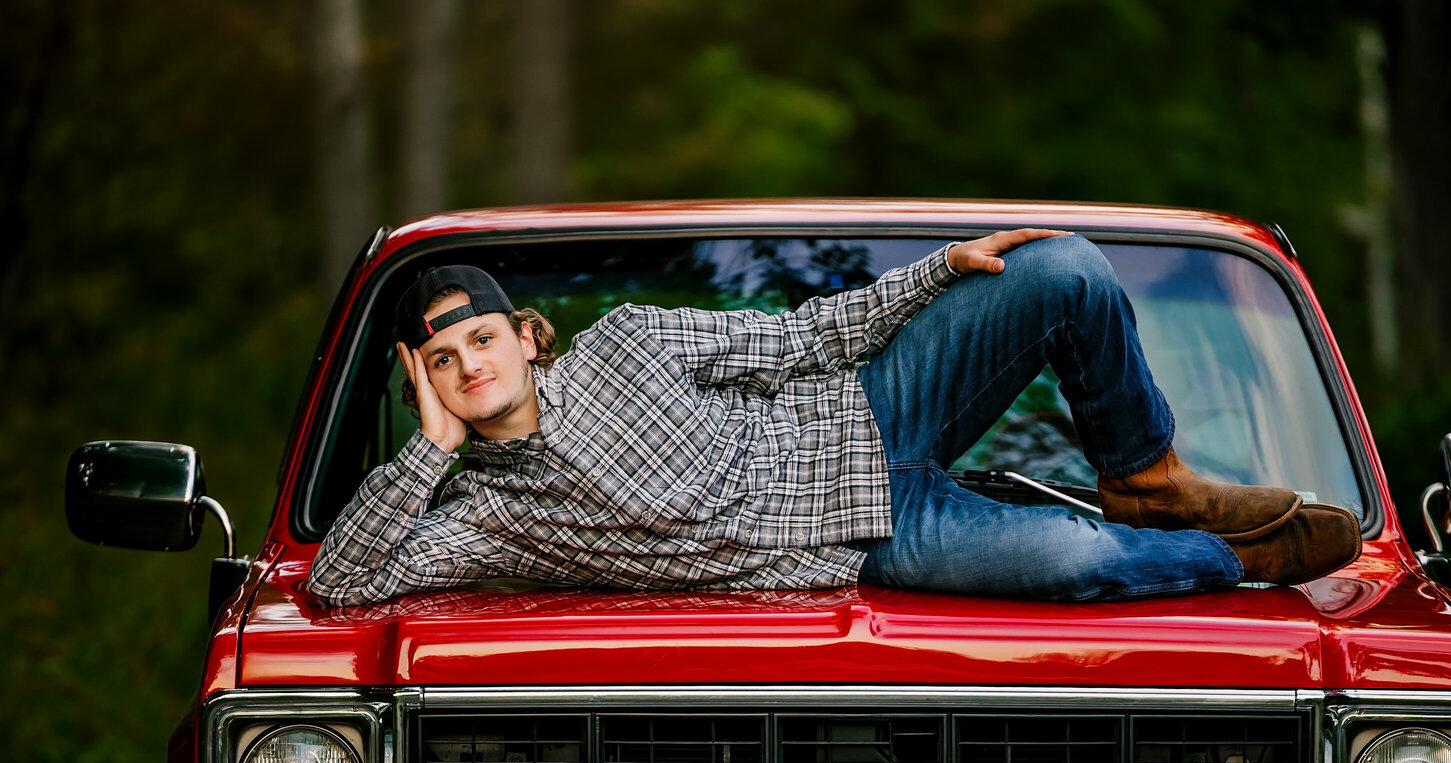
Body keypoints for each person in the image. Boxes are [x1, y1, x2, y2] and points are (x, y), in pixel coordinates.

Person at [308, 230, 1359, 608]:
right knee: (1077, 568)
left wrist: (939, 273)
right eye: (441, 364)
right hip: (867, 542)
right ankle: (1231, 560)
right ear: (429, 387)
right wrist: (429, 450)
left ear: (526, 336)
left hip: (864, 409)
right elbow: (342, 581)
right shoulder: (486, 518)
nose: (467, 366)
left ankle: (1149, 474)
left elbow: (804, 341)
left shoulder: (628, 340)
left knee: (1063, 268)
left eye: (479, 341)